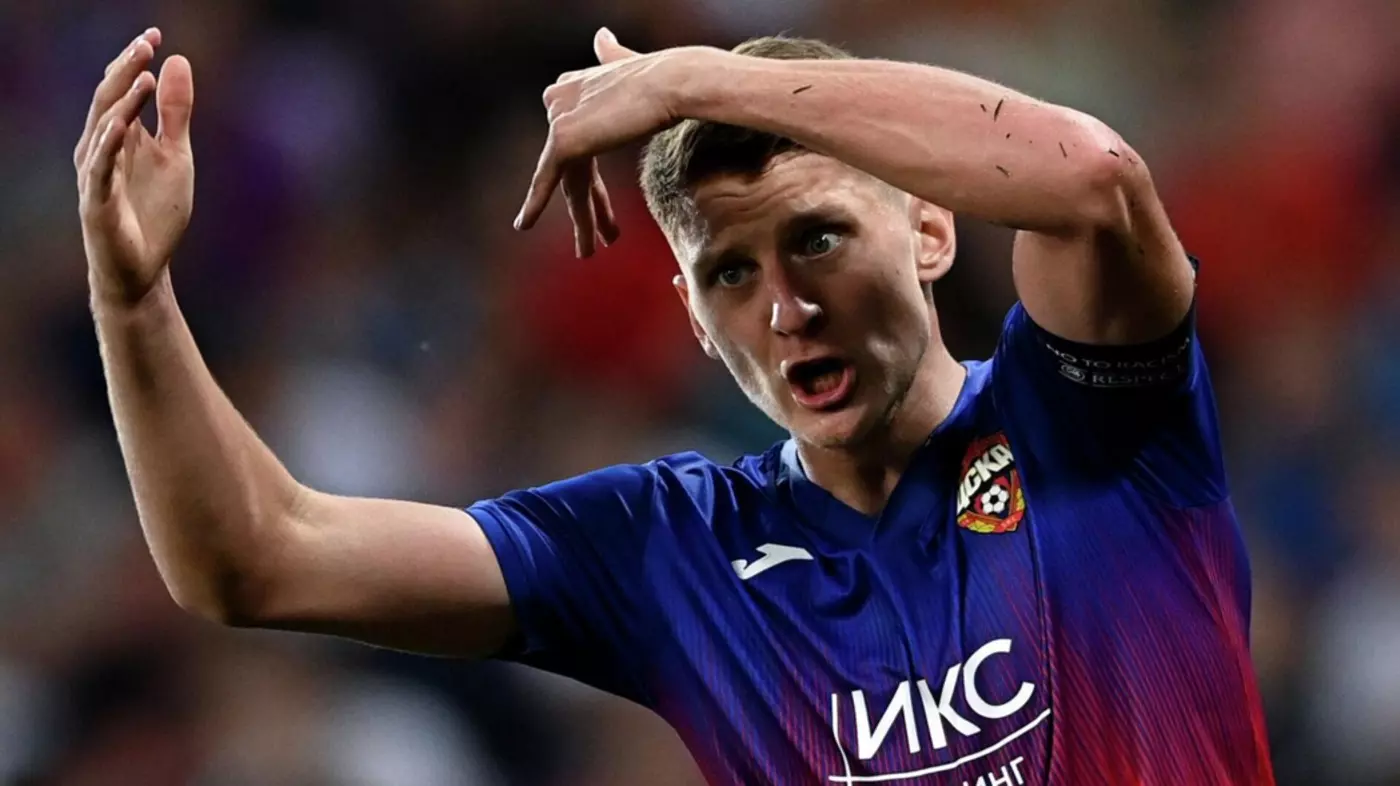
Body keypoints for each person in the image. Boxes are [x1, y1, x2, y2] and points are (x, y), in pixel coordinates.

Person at [75, 24, 1275, 786]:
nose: (785, 308)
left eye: (817, 238)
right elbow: (257, 559)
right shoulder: (673, 549)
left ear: (928, 230)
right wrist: (133, 301)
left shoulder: (1082, 414)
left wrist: (694, 73)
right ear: (695, 321)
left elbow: (1092, 181)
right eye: (730, 274)